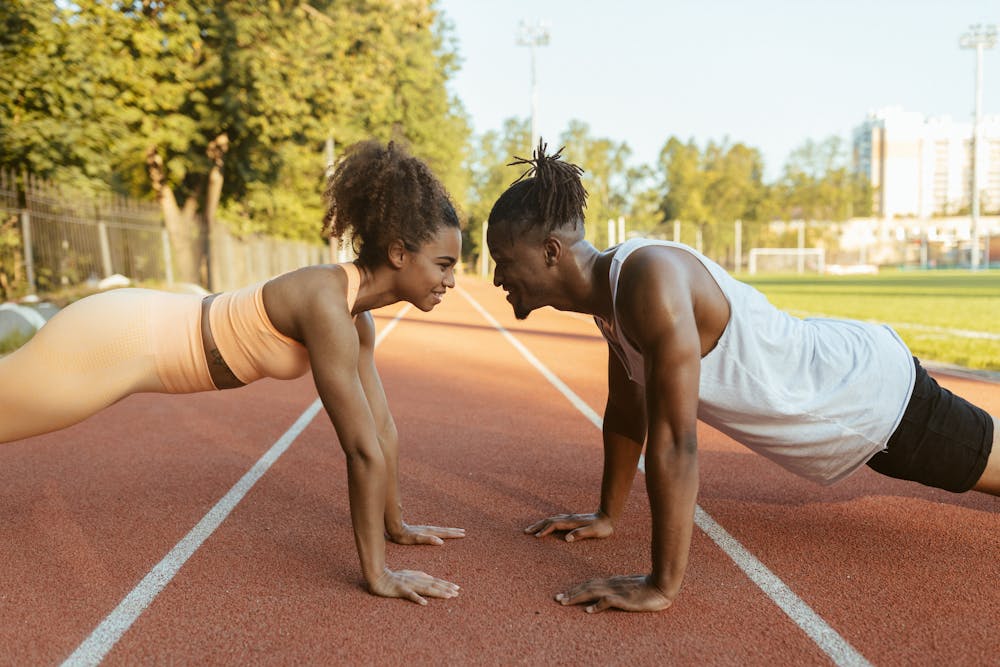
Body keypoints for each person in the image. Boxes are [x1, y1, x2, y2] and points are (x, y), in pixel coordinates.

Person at [485, 141, 1000, 614]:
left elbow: (675, 443)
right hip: (850, 394)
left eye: (504, 261)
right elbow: (627, 410)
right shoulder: (612, 301)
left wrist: (661, 585)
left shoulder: (647, 283)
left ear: (551, 252)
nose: (497, 278)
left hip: (873, 398)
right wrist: (606, 515)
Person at [0, 140, 465, 606]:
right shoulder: (326, 302)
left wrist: (396, 525)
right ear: (400, 253)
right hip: (117, 340)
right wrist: (378, 573)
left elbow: (382, 430)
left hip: (136, 342)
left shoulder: (355, 318)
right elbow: (362, 450)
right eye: (443, 265)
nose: (450, 280)